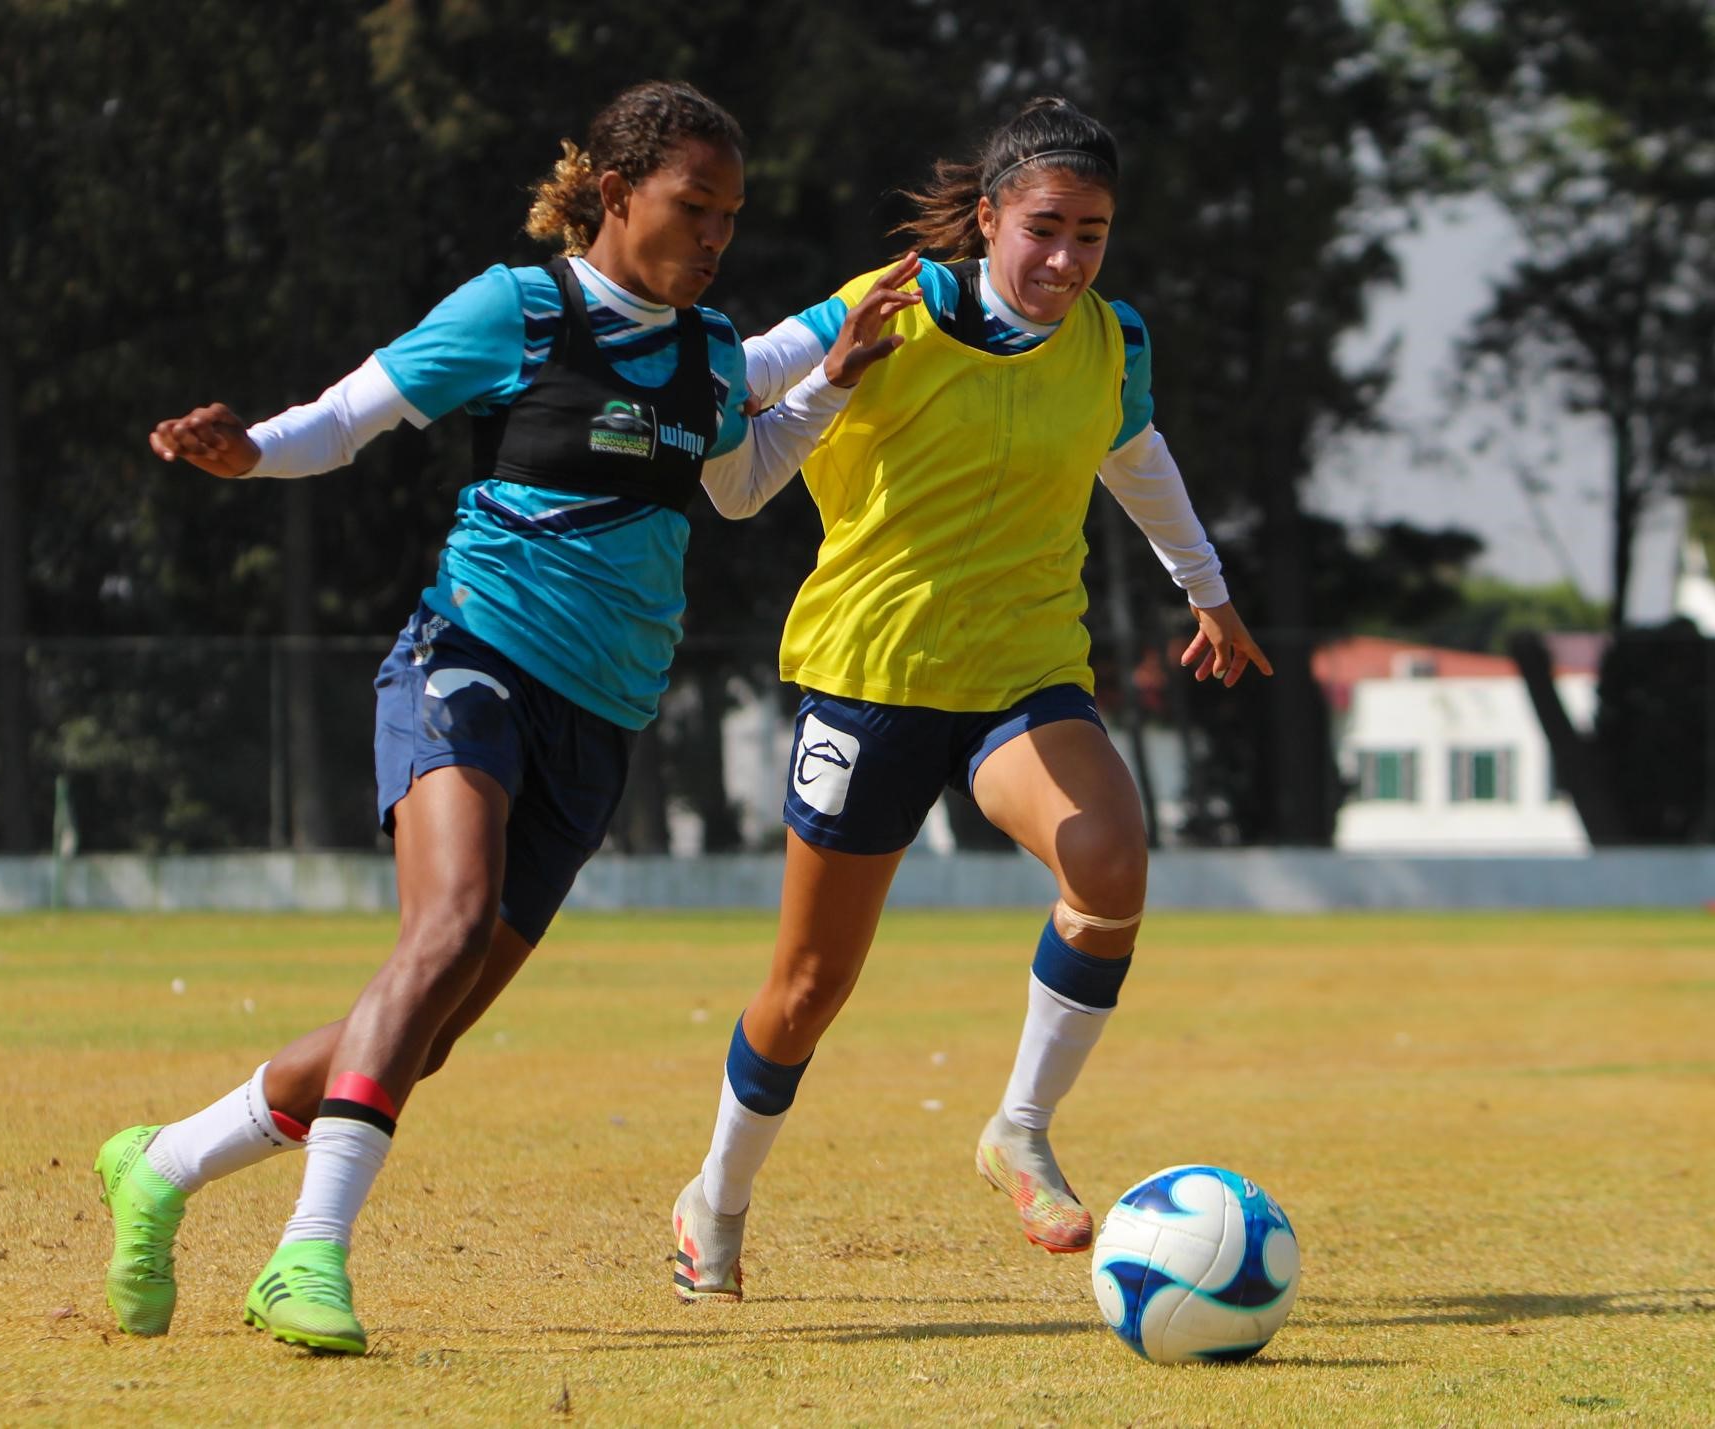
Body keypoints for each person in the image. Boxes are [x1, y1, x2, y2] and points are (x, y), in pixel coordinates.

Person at [97, 79, 912, 1354]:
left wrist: (833, 382)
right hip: (467, 661)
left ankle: (164, 1160)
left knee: (424, 1032)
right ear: (610, 194)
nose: (714, 236)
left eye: (731, 217)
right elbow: (342, 420)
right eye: (692, 207)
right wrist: (245, 450)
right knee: (449, 926)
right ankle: (307, 1255)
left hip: (601, 723)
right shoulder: (518, 310)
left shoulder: (708, 357)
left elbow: (743, 484)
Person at [667, 96, 1272, 1302]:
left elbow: (1133, 456)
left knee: (1108, 866)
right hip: (869, 680)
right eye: (1044, 227)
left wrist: (1207, 591)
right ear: (987, 217)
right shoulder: (887, 303)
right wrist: (811, 382)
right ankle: (716, 1195)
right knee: (806, 988)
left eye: (1091, 235)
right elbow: (728, 394)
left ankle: (1019, 1126)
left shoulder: (1112, 342)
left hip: (1021, 674)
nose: (1064, 259)